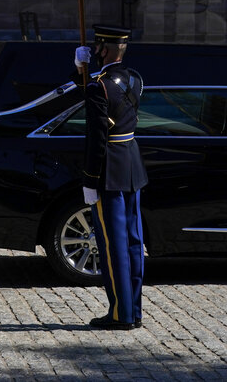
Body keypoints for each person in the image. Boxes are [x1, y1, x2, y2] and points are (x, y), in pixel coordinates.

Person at [74, 24, 146, 331]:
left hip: (109, 171)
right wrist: (80, 71)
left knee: (113, 245)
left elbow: (97, 138)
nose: (94, 50)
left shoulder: (99, 86)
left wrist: (90, 180)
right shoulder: (134, 79)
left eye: (97, 47)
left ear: (103, 50)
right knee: (133, 242)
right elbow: (102, 99)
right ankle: (134, 310)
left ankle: (120, 314)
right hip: (131, 165)